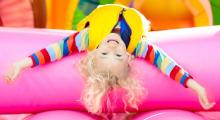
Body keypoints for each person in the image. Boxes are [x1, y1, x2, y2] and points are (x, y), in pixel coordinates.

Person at [4, 4, 215, 116]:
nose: (112, 48)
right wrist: (196, 87)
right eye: (118, 56)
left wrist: (20, 64)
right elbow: (167, 65)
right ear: (129, 57)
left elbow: (52, 52)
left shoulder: (87, 39)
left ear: (94, 53)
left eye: (104, 54)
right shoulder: (138, 45)